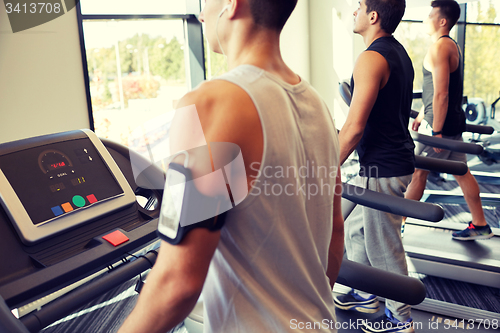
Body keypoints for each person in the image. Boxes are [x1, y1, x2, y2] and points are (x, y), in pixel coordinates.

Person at [118, 0, 344, 332]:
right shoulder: (319, 106)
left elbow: (177, 284)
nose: (200, 13)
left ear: (231, 4)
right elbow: (335, 237)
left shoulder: (212, 105)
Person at [334, 0, 416, 332]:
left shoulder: (370, 58)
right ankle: (367, 295)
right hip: (381, 163)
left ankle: (401, 318)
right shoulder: (398, 52)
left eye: (358, 6)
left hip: (384, 167)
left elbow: (354, 128)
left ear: (373, 15)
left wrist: (324, 170)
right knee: (356, 230)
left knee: (382, 245)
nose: (353, 10)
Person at [405, 0, 494, 241]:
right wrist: (425, 111)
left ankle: (396, 222)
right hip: (447, 123)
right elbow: (440, 89)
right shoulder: (449, 46)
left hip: (440, 129)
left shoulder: (440, 48)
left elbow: (442, 93)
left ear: (442, 21)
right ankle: (480, 224)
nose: (426, 18)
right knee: (463, 173)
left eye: (431, 14)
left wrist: (435, 131)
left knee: (418, 174)